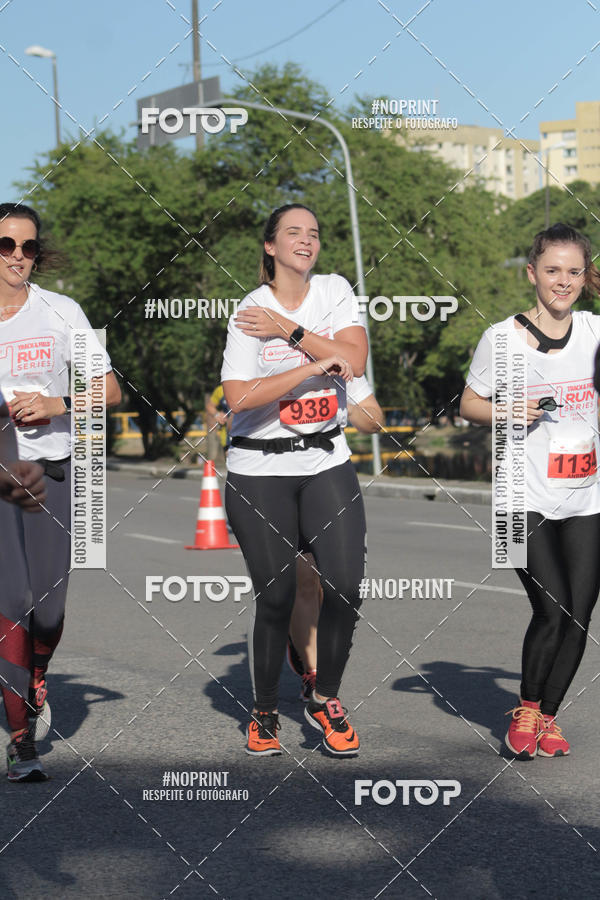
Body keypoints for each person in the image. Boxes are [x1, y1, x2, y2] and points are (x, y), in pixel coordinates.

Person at [222, 203, 368, 757]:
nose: (306, 241)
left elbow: (354, 358)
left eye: (314, 233)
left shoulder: (334, 290)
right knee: (278, 594)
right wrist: (310, 365)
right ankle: (264, 710)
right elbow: (240, 397)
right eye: (293, 233)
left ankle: (325, 696)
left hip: (326, 459)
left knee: (345, 587)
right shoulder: (248, 311)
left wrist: (289, 330)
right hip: (259, 469)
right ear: (270, 245)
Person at [460, 222, 600, 759]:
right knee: (553, 608)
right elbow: (469, 404)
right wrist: (505, 411)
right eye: (552, 270)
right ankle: (525, 707)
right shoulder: (502, 338)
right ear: (531, 274)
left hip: (586, 496)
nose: (563, 281)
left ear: (585, 277)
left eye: (574, 271)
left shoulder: (593, 332)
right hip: (519, 500)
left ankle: (547, 718)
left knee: (579, 616)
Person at [0, 202, 121, 779]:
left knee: (48, 609)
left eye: (28, 246)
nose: (18, 256)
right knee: (12, 602)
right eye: (6, 245)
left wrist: (58, 402)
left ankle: (37, 672)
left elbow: (109, 390)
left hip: (53, 473)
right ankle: (21, 742)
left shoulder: (60, 310)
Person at [287, 378, 384, 700]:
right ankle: (314, 672)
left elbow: (373, 418)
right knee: (303, 578)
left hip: (328, 474)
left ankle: (306, 642)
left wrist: (355, 412)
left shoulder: (338, 362)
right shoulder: (265, 356)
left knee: (336, 584)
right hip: (275, 477)